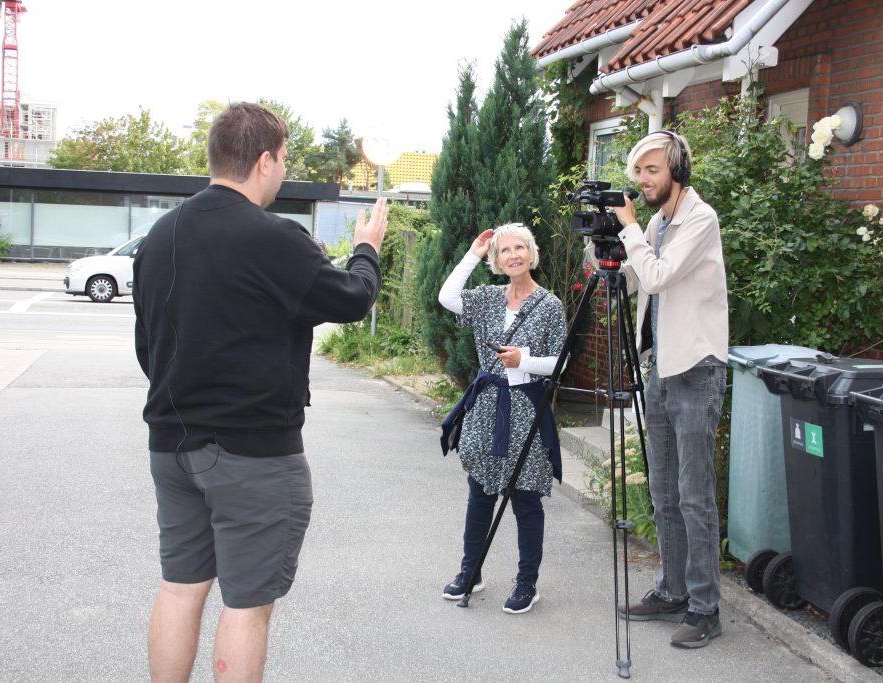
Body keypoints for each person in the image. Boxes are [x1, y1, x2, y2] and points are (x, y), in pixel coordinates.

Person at [132, 101, 387, 682]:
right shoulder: (273, 238)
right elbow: (350, 298)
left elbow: (148, 348)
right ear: (266, 160)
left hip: (171, 445)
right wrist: (368, 245)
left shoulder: (160, 234)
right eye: (285, 160)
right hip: (252, 454)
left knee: (179, 587)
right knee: (246, 606)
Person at [596, 130, 728, 648]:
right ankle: (671, 590)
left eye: (651, 171)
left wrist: (630, 232)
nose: (643, 181)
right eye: (639, 174)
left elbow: (658, 277)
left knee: (695, 496)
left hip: (696, 368)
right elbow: (631, 279)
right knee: (663, 490)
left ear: (676, 168)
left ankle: (705, 608)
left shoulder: (700, 219)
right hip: (661, 368)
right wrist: (606, 241)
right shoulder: (656, 222)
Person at [437, 223, 567, 614]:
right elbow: (447, 297)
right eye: (504, 250)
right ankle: (470, 571)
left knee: (526, 500)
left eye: (519, 248)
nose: (513, 255)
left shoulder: (549, 305)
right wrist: (473, 253)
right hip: (487, 407)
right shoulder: (488, 298)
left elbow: (561, 362)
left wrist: (523, 361)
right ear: (497, 260)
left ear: (531, 253)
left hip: (526, 409)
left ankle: (527, 582)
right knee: (481, 495)